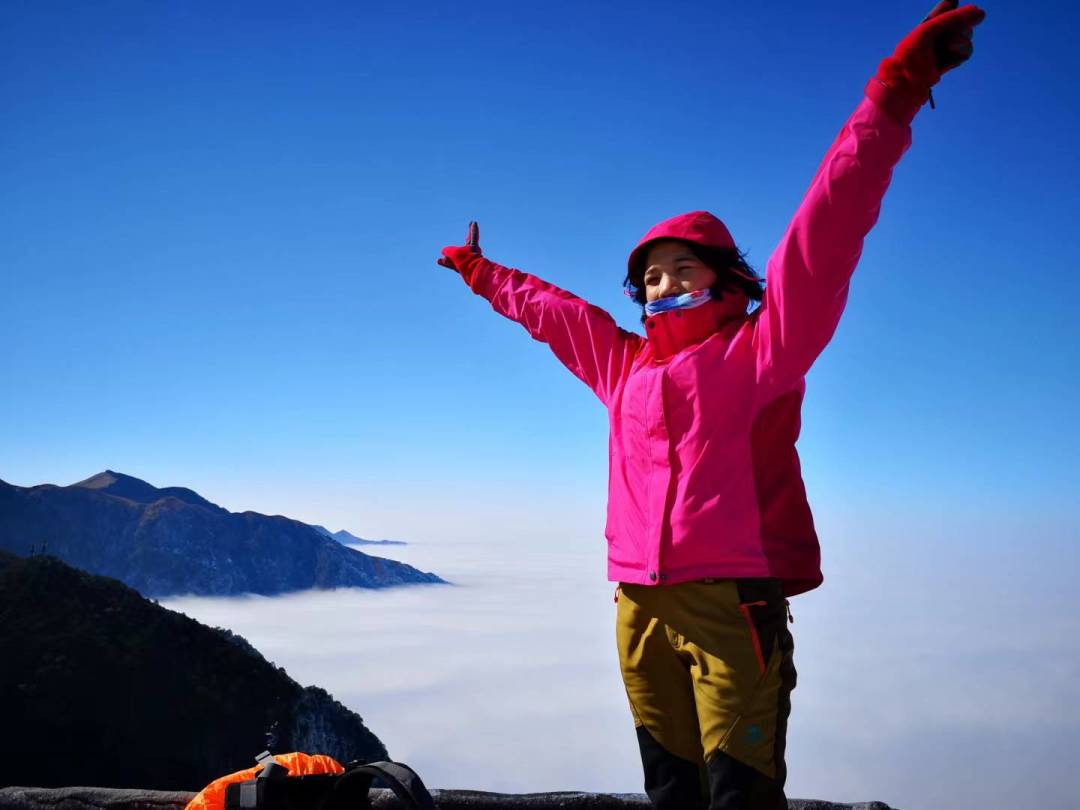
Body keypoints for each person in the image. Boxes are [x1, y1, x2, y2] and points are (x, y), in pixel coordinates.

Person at [436, 3, 986, 808]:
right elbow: (557, 314)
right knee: (670, 790)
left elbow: (826, 230)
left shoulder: (760, 353)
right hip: (637, 605)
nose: (662, 283)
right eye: (649, 276)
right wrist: (483, 274)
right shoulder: (623, 367)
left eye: (681, 268)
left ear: (723, 276)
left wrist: (895, 93)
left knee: (740, 796)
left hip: (733, 604)